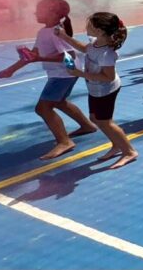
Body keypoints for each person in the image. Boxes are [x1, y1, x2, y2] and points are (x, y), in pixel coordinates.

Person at [0, 0, 96, 160]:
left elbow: (68, 56)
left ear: (53, 13)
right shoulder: (44, 32)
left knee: (42, 108)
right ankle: (87, 126)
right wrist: (11, 70)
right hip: (63, 74)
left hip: (63, 74)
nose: (35, 13)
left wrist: (41, 58)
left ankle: (64, 141)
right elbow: (33, 55)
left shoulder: (56, 31)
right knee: (59, 102)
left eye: (39, 10)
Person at [55, 12, 137, 169]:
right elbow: (84, 48)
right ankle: (116, 145)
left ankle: (129, 151)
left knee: (105, 122)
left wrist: (80, 74)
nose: (86, 27)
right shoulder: (95, 43)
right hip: (95, 88)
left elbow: (108, 77)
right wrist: (64, 36)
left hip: (106, 90)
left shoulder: (107, 54)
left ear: (99, 31)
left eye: (89, 25)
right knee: (95, 118)